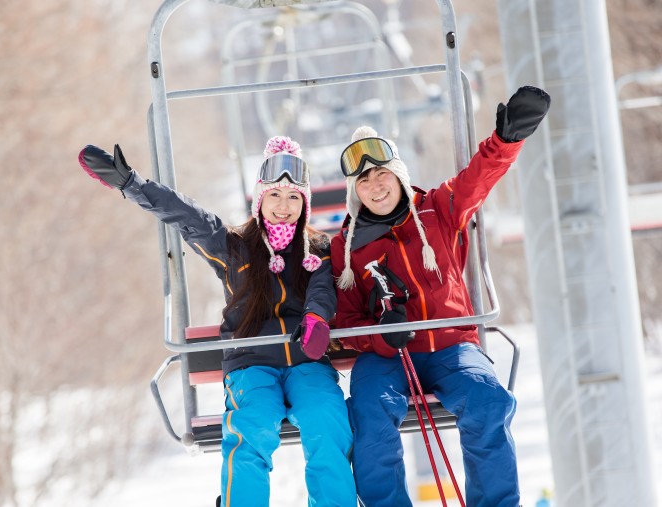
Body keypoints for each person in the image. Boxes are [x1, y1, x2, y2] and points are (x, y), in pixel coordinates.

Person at [78, 136, 357, 507]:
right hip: (251, 366)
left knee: (327, 422)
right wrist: (133, 185)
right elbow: (186, 215)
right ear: (260, 199)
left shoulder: (319, 250)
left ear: (305, 203)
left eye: (293, 198)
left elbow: (324, 290)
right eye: (275, 196)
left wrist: (316, 319)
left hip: (306, 360)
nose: (284, 206)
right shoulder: (234, 247)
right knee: (251, 429)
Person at [330, 86, 551, 507]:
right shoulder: (346, 248)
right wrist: (380, 335)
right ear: (354, 192)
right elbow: (346, 320)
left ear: (398, 174)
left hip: (450, 346)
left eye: (382, 176)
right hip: (386, 358)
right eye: (364, 182)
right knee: (370, 412)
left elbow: (477, 180)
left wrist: (506, 141)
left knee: (488, 401)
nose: (376, 187)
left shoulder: (437, 210)